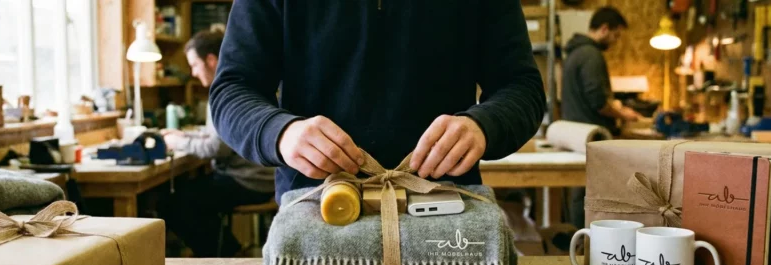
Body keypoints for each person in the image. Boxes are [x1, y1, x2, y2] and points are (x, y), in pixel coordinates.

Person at [209, 1, 546, 203]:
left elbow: (522, 87)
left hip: (445, 211)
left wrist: (483, 125)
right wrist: (281, 133)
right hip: (320, 210)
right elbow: (232, 90)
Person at [160, 27, 276, 257]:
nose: (193, 72)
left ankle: (226, 254)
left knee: (173, 205)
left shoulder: (224, 92)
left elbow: (217, 148)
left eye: (194, 64)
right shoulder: (242, 83)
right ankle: (229, 249)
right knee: (185, 197)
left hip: (248, 181)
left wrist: (177, 142)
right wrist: (185, 136)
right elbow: (219, 135)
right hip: (264, 177)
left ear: (211, 60)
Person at [559, 6, 640, 244]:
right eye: (616, 35)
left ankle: (579, 240)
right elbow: (597, 100)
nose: (615, 42)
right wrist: (623, 113)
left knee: (581, 191)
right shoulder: (591, 55)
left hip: (579, 134)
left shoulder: (575, 53)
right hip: (592, 135)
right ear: (604, 29)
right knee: (589, 194)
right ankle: (585, 245)